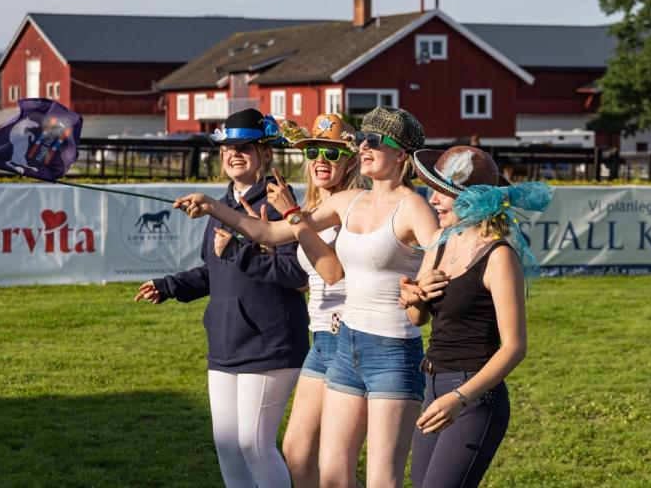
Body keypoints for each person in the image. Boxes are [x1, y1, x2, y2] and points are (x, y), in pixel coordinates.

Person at [175, 106, 439, 488]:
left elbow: (439, 260)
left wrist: (421, 294)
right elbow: (270, 233)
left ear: (401, 154)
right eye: (362, 138)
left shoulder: (414, 206)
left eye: (374, 141)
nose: (364, 147)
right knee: (320, 468)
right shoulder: (346, 201)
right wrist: (213, 206)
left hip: (392, 348)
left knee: (381, 479)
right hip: (342, 341)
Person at [134, 108, 309, 488]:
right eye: (227, 147)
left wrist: (240, 252)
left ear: (266, 153)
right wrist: (168, 286)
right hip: (225, 342)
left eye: (244, 147)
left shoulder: (282, 204)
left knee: (254, 445)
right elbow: (212, 272)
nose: (234, 154)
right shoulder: (220, 204)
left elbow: (297, 276)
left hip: (270, 344)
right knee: (228, 446)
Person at [400, 145, 552, 488]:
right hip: (433, 385)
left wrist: (460, 397)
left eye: (444, 193)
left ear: (475, 200)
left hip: (474, 397)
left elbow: (515, 347)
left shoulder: (498, 256)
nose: (433, 200)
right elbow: (416, 319)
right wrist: (412, 295)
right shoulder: (439, 241)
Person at [270, 114, 364, 487]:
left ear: (351, 161)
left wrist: (291, 217)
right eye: (313, 152)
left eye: (331, 152)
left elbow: (333, 271)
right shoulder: (308, 211)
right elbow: (313, 277)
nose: (321, 160)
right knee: (296, 453)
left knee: (335, 469)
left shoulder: (355, 207)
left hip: (350, 338)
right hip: (320, 338)